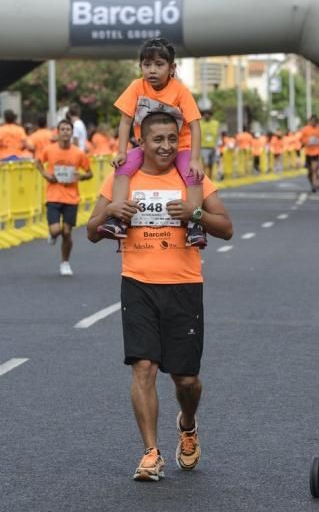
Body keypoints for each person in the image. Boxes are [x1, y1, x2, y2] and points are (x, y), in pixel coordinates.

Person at [87, 111, 233, 481]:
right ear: (142, 141)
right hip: (137, 282)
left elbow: (227, 228)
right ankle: (151, 452)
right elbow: (90, 230)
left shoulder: (191, 177)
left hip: (184, 286)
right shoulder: (122, 178)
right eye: (158, 140)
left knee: (186, 380)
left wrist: (194, 212)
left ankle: (187, 423)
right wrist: (110, 211)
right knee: (144, 367)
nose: (166, 146)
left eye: (172, 139)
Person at [97, 37, 206, 248]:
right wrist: (121, 152)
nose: (152, 70)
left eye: (159, 64)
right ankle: (118, 219)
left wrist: (195, 159)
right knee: (122, 167)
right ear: (140, 67)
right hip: (146, 147)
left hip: (179, 147)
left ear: (172, 68)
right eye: (147, 65)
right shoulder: (137, 87)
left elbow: (195, 126)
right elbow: (125, 120)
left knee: (194, 175)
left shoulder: (180, 90)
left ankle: (194, 226)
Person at [36, 119, 92, 276]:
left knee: (67, 232)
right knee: (55, 230)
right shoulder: (49, 150)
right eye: (63, 129)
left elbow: (89, 173)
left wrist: (80, 176)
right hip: (53, 196)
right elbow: (38, 162)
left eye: (68, 129)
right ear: (58, 132)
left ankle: (65, 262)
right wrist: (46, 175)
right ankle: (53, 234)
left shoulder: (78, 153)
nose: (65, 132)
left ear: (72, 132)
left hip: (71, 197)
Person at [300, 115, 319, 192]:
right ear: (309, 121)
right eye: (312, 121)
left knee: (314, 169)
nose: (313, 122)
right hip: (308, 152)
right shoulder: (305, 129)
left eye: (314, 121)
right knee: (309, 172)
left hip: (317, 152)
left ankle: (315, 184)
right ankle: (313, 183)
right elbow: (301, 140)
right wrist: (304, 144)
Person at [200, 108, 220, 178]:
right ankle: (204, 178)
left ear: (211, 115)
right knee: (205, 163)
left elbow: (218, 135)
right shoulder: (200, 123)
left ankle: (210, 178)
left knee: (211, 164)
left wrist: (217, 146)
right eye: (205, 114)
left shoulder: (216, 123)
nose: (207, 116)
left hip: (213, 147)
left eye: (208, 114)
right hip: (203, 147)